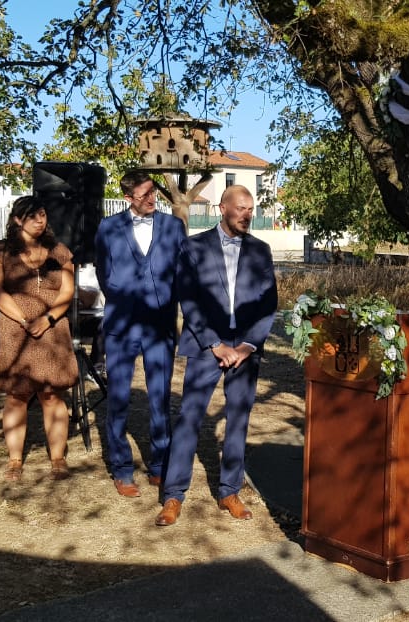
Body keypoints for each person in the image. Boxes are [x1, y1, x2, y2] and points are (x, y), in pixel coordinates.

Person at [155, 185, 278, 526]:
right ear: (222, 209)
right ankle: (173, 495)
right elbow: (189, 299)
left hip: (245, 349)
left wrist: (248, 345)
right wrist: (215, 344)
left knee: (238, 419)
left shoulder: (261, 250)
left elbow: (269, 302)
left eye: (250, 209)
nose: (247, 215)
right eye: (240, 208)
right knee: (189, 418)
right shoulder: (193, 247)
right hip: (206, 346)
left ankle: (229, 491)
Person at [93, 171, 187, 498]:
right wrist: (122, 296)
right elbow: (103, 271)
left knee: (160, 397)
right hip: (122, 324)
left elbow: (182, 270)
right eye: (144, 194)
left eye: (153, 193)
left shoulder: (173, 226)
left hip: (160, 325)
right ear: (128, 197)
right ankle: (121, 468)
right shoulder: (108, 227)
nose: (152, 199)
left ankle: (159, 464)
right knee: (118, 397)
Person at [0, 195, 79, 482]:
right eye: (33, 216)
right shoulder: (0, 252)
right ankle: (15, 460)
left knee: (52, 395)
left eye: (43, 214)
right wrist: (24, 320)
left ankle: (58, 458)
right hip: (16, 330)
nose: (40, 220)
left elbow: (67, 292)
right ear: (18, 219)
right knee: (17, 395)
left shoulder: (59, 251)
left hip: (53, 330)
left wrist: (47, 318)